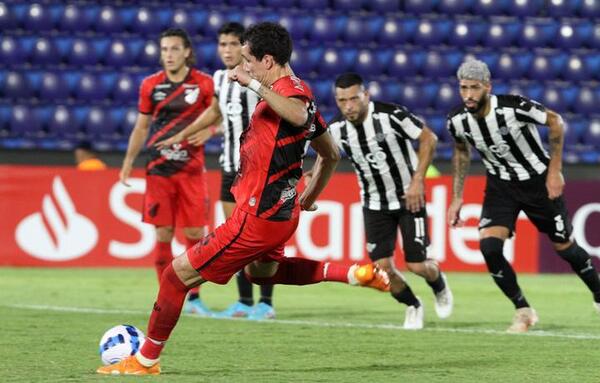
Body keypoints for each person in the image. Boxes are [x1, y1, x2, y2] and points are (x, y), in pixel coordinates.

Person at [97, 22, 390, 376]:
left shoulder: (290, 98)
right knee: (262, 274)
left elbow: (298, 116)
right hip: (283, 215)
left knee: (175, 277)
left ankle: (145, 361)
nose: (243, 65)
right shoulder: (300, 90)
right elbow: (330, 154)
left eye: (249, 59)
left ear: (267, 60)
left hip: (255, 217)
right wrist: (308, 197)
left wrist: (251, 83)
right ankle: (355, 274)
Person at [446, 59, 600, 333]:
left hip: (538, 182)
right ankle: (523, 311)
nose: (468, 95)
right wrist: (457, 197)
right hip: (500, 187)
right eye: (463, 88)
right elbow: (461, 151)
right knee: (489, 247)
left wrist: (555, 171)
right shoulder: (458, 121)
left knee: (564, 247)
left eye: (474, 88)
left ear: (487, 87)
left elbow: (555, 121)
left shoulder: (512, 107)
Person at [157, 22, 275, 320]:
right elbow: (218, 112)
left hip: (257, 169)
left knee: (259, 237)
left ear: (245, 47)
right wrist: (185, 132)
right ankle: (245, 302)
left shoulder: (259, 79)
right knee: (236, 235)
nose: (227, 50)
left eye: (233, 44)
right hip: (228, 167)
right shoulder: (220, 79)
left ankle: (266, 302)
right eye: (222, 45)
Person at [328, 72, 453, 330]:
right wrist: (314, 174)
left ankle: (438, 281)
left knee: (417, 265)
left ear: (366, 95)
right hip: (373, 203)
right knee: (381, 268)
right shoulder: (336, 128)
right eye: (342, 101)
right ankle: (413, 304)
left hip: (409, 198)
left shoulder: (390, 115)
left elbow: (428, 138)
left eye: (353, 98)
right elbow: (326, 156)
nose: (348, 106)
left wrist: (418, 180)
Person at [118, 28, 214, 317]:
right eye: (164, 50)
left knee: (196, 232)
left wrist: (210, 130)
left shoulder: (204, 84)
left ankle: (194, 296)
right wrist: (127, 162)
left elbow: (222, 117)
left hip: (191, 170)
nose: (168, 55)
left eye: (174, 49)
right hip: (159, 169)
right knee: (164, 233)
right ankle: (167, 296)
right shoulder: (151, 85)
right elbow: (142, 127)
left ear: (186, 52)